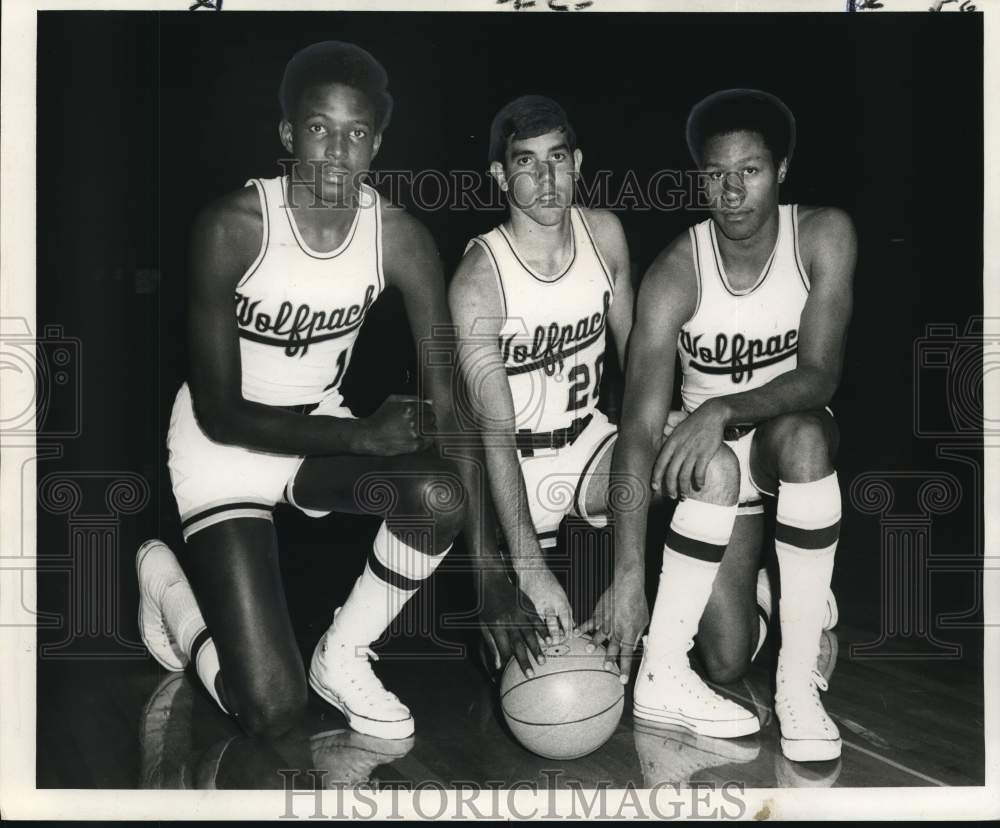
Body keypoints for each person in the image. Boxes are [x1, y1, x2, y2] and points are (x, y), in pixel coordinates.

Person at [136, 41, 466, 743]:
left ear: (376, 144)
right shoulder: (231, 228)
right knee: (272, 713)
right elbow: (221, 413)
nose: (336, 153)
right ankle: (169, 591)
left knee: (439, 495)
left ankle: (343, 655)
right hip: (219, 446)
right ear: (289, 134)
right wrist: (360, 436)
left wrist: (498, 572)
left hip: (315, 432)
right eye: (319, 128)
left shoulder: (400, 239)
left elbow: (449, 399)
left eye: (355, 134)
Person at [613, 89, 855, 760]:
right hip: (714, 475)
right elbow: (636, 431)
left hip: (779, 440)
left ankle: (797, 681)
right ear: (699, 178)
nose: (731, 189)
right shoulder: (673, 273)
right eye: (716, 173)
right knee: (722, 662)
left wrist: (721, 408)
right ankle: (784, 588)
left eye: (748, 170)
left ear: (781, 169)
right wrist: (630, 572)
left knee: (807, 434)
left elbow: (820, 376)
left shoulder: (823, 234)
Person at [448, 95, 643, 682]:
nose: (545, 178)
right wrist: (528, 565)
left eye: (557, 158)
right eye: (525, 163)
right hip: (514, 467)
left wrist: (669, 426)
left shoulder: (605, 235)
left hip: (589, 444)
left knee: (702, 464)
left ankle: (740, 583)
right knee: (526, 674)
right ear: (499, 175)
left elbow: (638, 364)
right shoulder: (479, 279)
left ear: (578, 161)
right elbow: (495, 433)